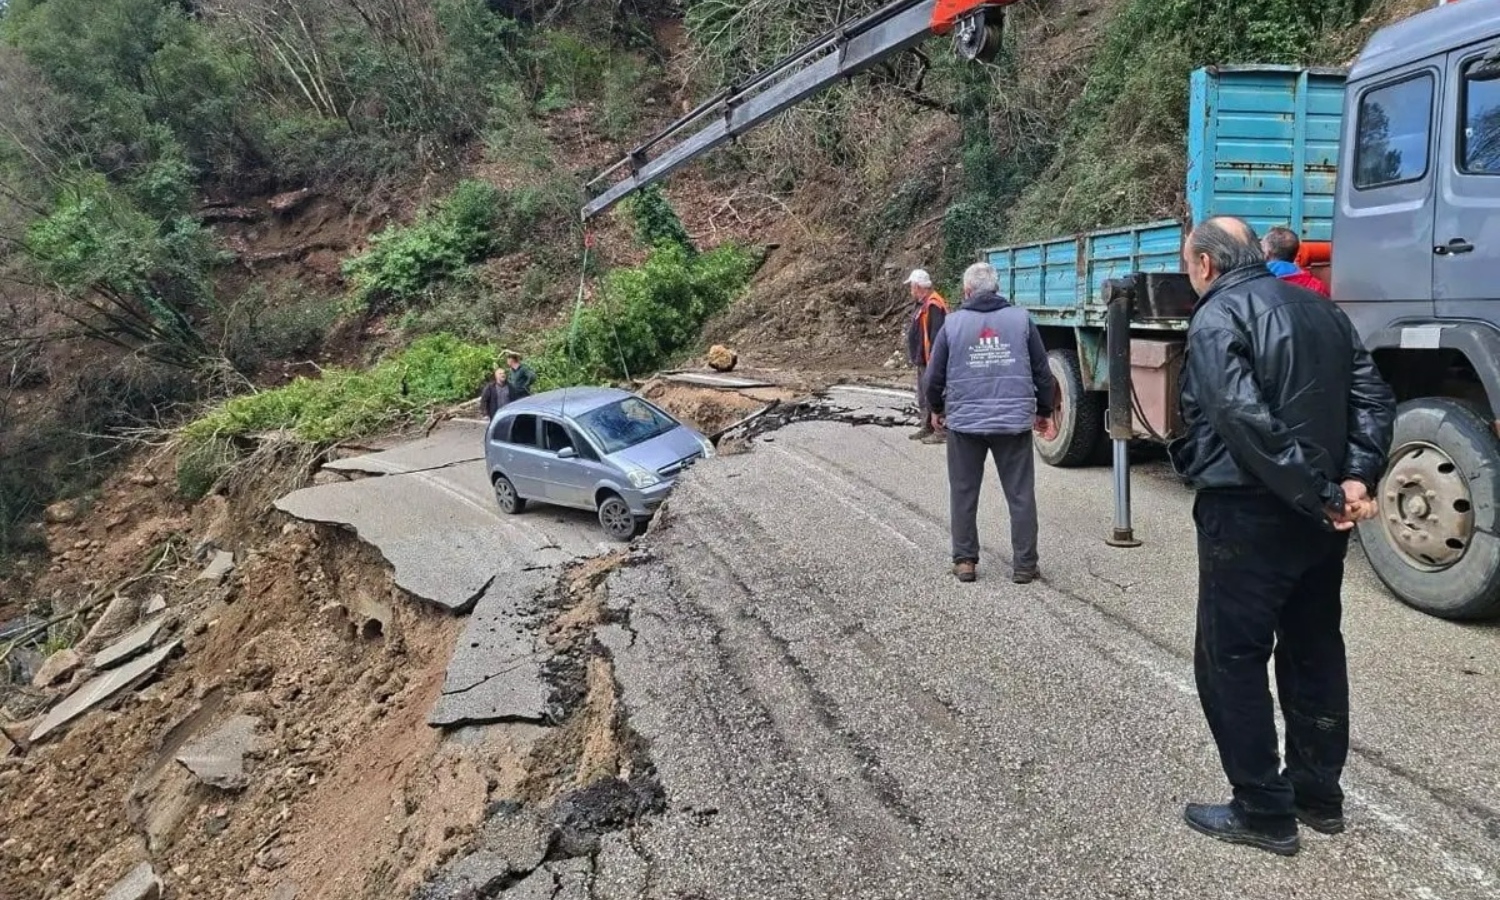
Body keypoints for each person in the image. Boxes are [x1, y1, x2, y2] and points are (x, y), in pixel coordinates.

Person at [1169, 216, 1395, 856]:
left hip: (1249, 511)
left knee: (1230, 658)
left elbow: (1242, 419)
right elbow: (1374, 399)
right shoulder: (1323, 310)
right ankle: (1319, 796)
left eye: (1189, 266)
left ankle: (1263, 810)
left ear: (1206, 265)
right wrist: (1353, 479)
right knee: (1314, 646)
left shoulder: (1217, 317)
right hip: (1319, 518)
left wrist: (1321, 492)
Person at [924, 262, 1057, 585]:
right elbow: (1043, 372)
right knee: (1020, 494)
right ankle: (1025, 565)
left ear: (967, 291)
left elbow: (933, 376)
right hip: (1013, 424)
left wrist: (937, 408)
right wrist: (1043, 410)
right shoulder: (1022, 320)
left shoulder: (953, 324)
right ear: (997, 289)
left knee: (963, 492)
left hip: (965, 424)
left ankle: (965, 561)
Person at [904, 268, 949, 444]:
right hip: (922, 359)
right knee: (923, 395)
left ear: (918, 286)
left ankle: (940, 430)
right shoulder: (924, 304)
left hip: (930, 360)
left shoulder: (934, 305)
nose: (910, 291)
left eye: (911, 287)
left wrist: (935, 362)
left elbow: (936, 336)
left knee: (933, 394)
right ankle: (927, 426)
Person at [1262, 226, 1331, 298]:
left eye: (1262, 246)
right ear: (1295, 254)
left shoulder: (1259, 283)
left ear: (1267, 253)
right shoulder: (1317, 287)